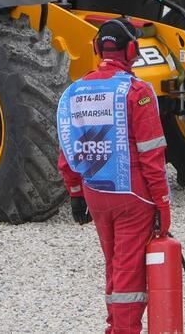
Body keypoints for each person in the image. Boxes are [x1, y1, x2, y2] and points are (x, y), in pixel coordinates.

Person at [56, 18, 171, 333]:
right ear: (132, 50)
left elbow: (68, 152)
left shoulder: (75, 92)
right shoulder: (137, 92)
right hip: (133, 195)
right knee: (129, 274)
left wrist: (76, 194)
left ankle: (114, 327)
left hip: (96, 193)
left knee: (115, 266)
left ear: (97, 49)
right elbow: (152, 157)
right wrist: (162, 204)